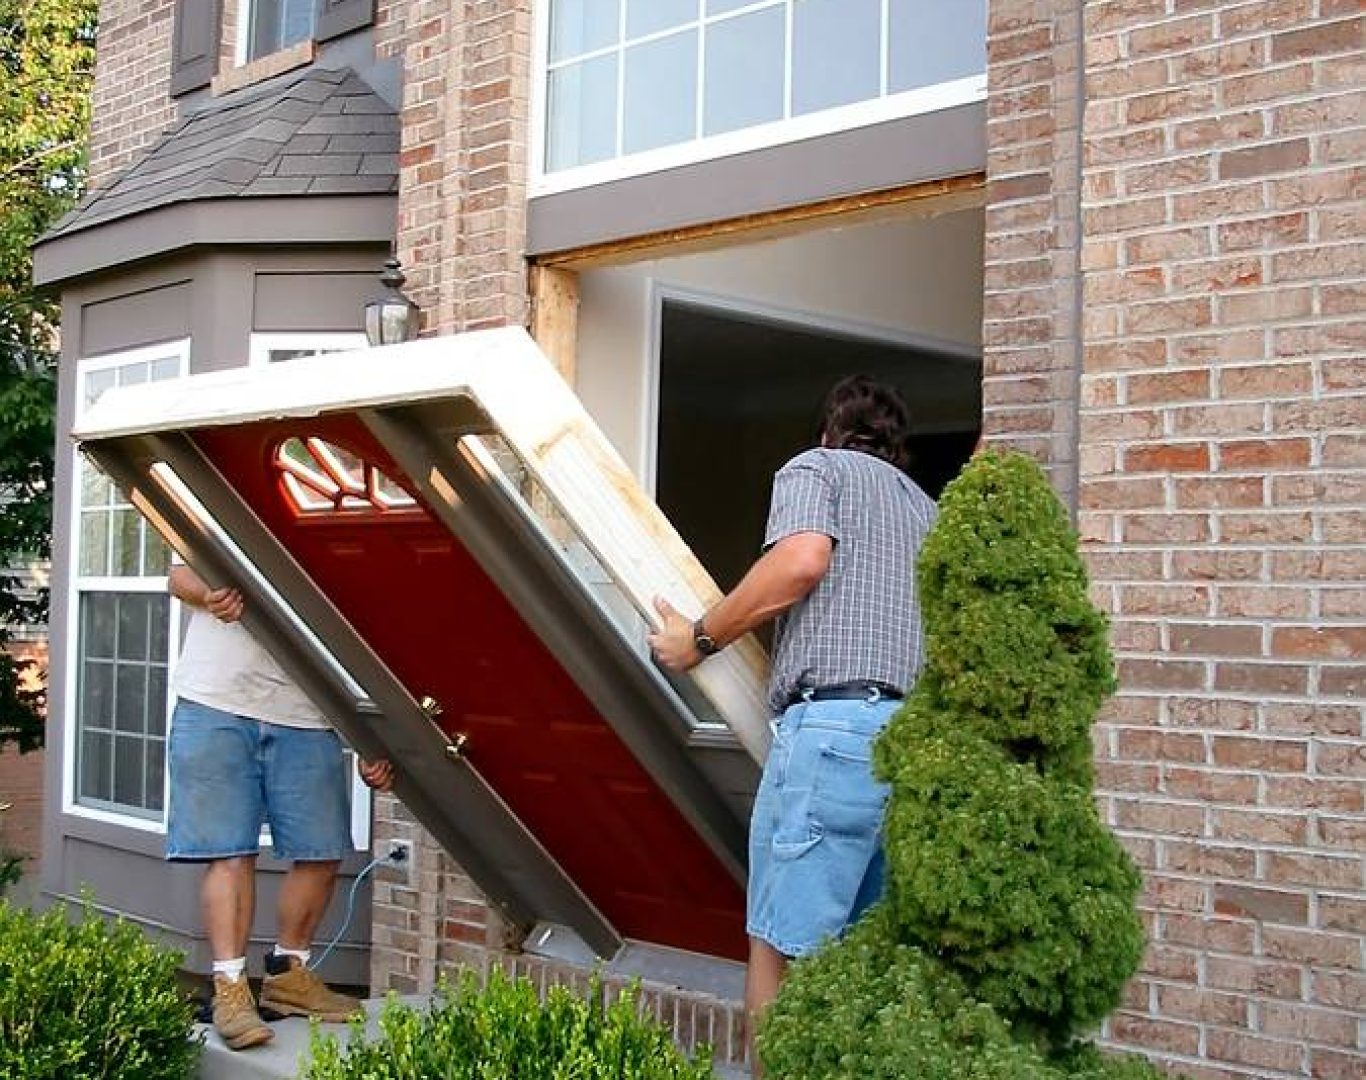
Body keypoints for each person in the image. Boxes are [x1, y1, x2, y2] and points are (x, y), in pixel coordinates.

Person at [648, 375, 937, 1069]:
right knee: (865, 954)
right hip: (910, 746)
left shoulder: (818, 469)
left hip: (833, 733)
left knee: (776, 944)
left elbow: (801, 560)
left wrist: (700, 639)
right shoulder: (928, 511)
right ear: (897, 447)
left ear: (828, 432)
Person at [166, 561, 395, 1051]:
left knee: (321, 848)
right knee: (231, 850)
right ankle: (230, 988)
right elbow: (178, 575)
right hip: (217, 700)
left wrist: (367, 736)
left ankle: (289, 977)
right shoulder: (230, 501)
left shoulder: (348, 525)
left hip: (309, 713)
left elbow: (368, 631)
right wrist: (209, 596)